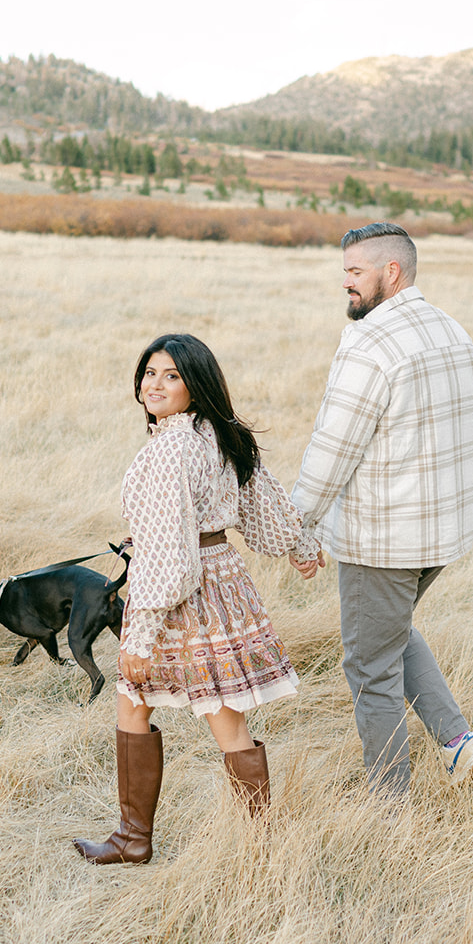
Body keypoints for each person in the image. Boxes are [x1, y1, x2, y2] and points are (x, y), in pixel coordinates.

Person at [74, 333, 319, 865]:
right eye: (149, 373)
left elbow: (166, 555)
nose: (154, 385)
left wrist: (138, 635)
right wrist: (301, 546)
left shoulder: (172, 447)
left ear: (195, 385)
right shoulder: (221, 435)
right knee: (173, 708)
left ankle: (145, 839)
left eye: (171, 376)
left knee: (159, 701)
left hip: (179, 593)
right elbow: (266, 510)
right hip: (222, 579)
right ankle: (227, 842)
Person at [289, 222, 473, 796]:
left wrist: (294, 525)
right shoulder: (452, 330)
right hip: (442, 537)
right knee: (391, 633)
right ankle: (458, 742)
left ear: (392, 272)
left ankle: (388, 806)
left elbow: (333, 448)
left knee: (370, 666)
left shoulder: (370, 343)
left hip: (383, 541)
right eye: (345, 273)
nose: (347, 285)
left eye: (356, 273)